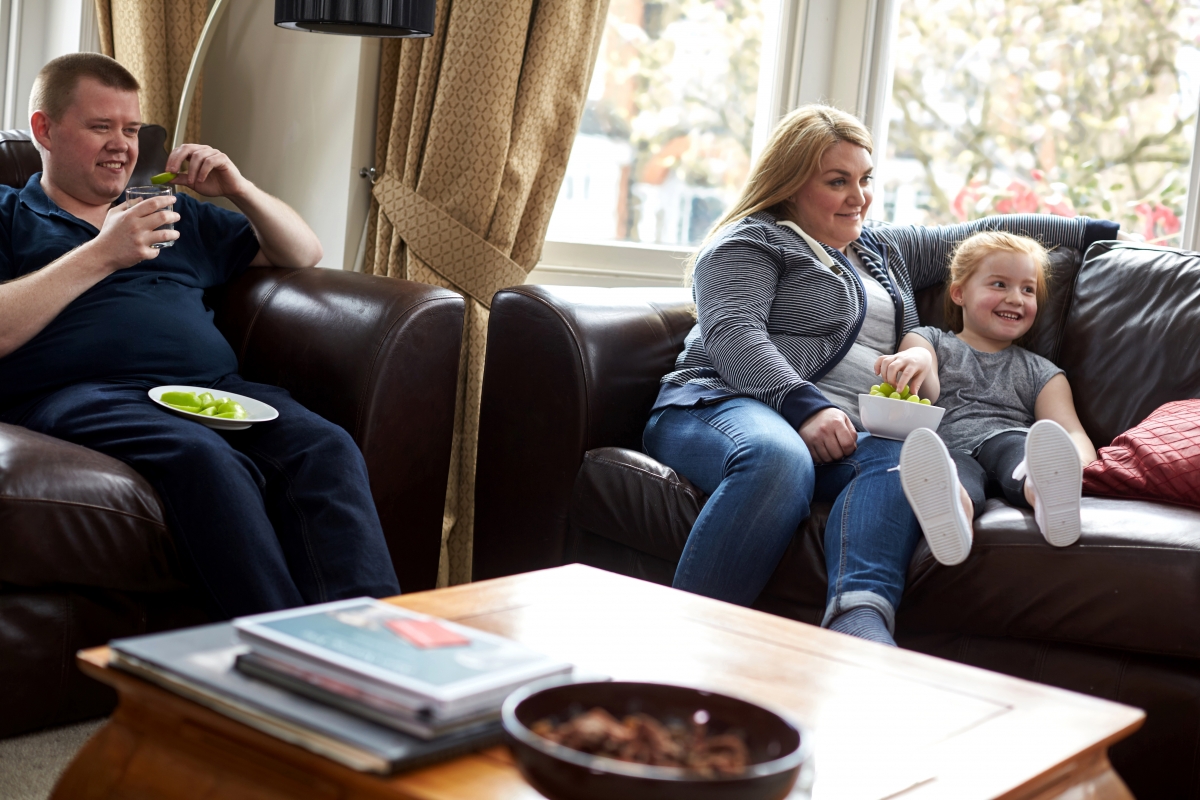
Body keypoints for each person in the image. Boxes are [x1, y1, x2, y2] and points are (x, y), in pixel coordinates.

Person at [642, 104, 1122, 646]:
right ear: (792, 183)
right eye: (838, 181)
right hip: (719, 405)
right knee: (778, 459)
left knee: (904, 459)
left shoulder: (880, 248)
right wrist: (804, 405)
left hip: (840, 431)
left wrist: (1093, 231)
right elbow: (734, 335)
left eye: (865, 179)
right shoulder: (750, 243)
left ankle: (858, 618)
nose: (859, 196)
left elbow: (981, 234)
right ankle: (685, 643)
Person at [0, 53, 401, 618]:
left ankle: (374, 649)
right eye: (101, 127)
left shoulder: (171, 212)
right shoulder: (10, 215)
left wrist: (239, 188)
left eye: (132, 129)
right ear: (44, 129)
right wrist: (101, 254)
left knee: (325, 447)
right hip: (82, 395)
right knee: (204, 459)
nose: (123, 145)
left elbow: (302, 251)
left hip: (210, 387)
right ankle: (282, 656)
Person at [886, 232, 1097, 566]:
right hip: (948, 450)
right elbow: (927, 391)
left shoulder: (1043, 372)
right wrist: (920, 362)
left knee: (1018, 450)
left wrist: (1077, 464)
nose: (1016, 298)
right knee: (955, 477)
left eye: (1028, 289)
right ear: (959, 293)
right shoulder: (928, 341)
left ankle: (1049, 497)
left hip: (1008, 442)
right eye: (999, 284)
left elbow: (1070, 432)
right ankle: (955, 518)